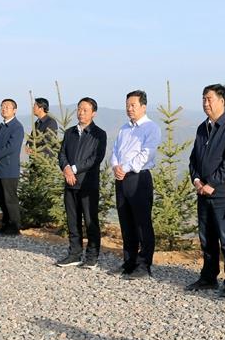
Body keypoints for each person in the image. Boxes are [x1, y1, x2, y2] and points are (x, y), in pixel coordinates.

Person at [186, 84, 225, 296]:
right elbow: (193, 159)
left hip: (224, 195)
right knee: (207, 238)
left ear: (222, 101)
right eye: (203, 99)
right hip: (202, 192)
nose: (205, 103)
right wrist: (196, 181)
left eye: (209, 99)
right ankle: (208, 277)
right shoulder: (203, 128)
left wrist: (212, 184)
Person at [110, 90, 162, 278]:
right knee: (126, 221)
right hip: (121, 178)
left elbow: (146, 154)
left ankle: (144, 264)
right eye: (127, 105)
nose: (129, 109)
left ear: (143, 107)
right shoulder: (124, 128)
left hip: (139, 178)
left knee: (142, 223)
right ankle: (129, 261)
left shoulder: (151, 128)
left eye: (133, 105)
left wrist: (125, 167)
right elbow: (115, 149)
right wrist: (115, 166)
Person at [56, 98, 107, 268]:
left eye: (85, 110)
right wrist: (66, 168)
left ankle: (92, 257)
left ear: (94, 113)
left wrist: (73, 169)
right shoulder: (69, 132)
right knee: (72, 220)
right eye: (79, 109)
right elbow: (62, 154)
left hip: (87, 185)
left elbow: (96, 158)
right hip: (70, 183)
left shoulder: (99, 134)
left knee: (90, 221)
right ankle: (74, 254)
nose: (81, 113)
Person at [0, 98, 25, 235]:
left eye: (7, 107)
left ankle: (14, 227)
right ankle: (5, 224)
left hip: (9, 168)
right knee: (2, 199)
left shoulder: (17, 127)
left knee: (10, 199)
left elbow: (11, 147)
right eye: (2, 106)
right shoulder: (1, 126)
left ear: (14, 110)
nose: (4, 109)